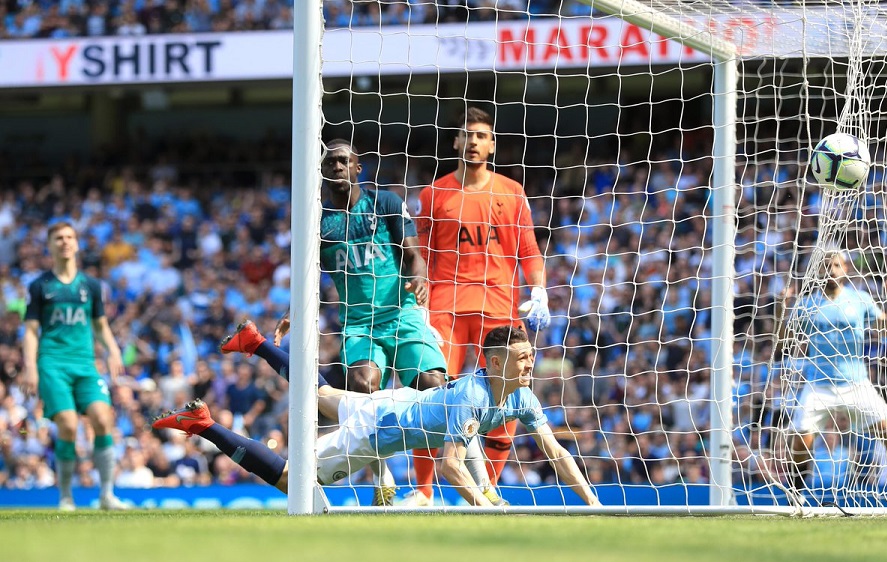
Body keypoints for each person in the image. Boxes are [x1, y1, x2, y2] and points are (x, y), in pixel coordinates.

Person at [218, 139, 459, 504]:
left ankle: (471, 475)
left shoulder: (386, 203)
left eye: (344, 161)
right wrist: (291, 316)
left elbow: (413, 254)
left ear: (358, 167)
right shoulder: (318, 221)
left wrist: (421, 277)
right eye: (331, 162)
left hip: (403, 313)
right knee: (363, 385)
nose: (337, 166)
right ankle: (384, 478)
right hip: (359, 323)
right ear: (322, 170)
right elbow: (308, 277)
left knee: (434, 386)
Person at [152, 325, 601, 507]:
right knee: (294, 479)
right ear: (497, 361)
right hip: (376, 431)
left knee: (321, 391)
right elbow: (449, 466)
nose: (530, 364)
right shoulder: (473, 395)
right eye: (522, 358)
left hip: (393, 401)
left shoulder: (522, 397)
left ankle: (255, 343)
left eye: (531, 356)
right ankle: (204, 425)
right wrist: (485, 507)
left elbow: (557, 454)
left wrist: (593, 504)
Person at [408, 107, 551, 505]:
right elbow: (419, 253)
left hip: (498, 309)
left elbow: (529, 250)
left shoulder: (512, 192)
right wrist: (416, 303)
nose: (473, 141)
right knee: (430, 396)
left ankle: (486, 489)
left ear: (492, 144)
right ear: (455, 141)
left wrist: (538, 291)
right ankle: (422, 491)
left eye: (481, 135)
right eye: (467, 135)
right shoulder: (433, 194)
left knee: (505, 403)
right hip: (445, 308)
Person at [21, 222, 128, 511]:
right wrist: (30, 367)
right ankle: (66, 497)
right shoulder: (40, 286)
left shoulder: (91, 286)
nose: (65, 242)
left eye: (70, 237)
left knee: (103, 418)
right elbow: (31, 331)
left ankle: (107, 495)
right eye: (58, 238)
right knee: (67, 425)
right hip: (52, 363)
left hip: (85, 364)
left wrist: (114, 351)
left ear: (77, 244)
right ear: (51, 245)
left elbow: (101, 325)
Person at [777, 249, 887, 497]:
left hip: (856, 383)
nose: (830, 270)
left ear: (845, 269)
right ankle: (795, 496)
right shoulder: (807, 304)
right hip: (818, 384)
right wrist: (783, 309)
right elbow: (784, 341)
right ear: (818, 271)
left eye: (835, 265)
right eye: (826, 266)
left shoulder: (860, 299)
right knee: (801, 442)